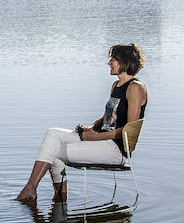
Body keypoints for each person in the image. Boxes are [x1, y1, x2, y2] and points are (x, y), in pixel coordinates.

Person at [15, 44, 148, 202]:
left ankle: (47, 196)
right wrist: (90, 128)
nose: (109, 63)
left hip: (116, 150)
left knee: (53, 153)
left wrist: (93, 137)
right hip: (102, 141)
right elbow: (106, 118)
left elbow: (128, 131)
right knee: (52, 134)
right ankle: (51, 194)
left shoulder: (135, 87)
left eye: (113, 59)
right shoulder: (116, 85)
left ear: (123, 62)